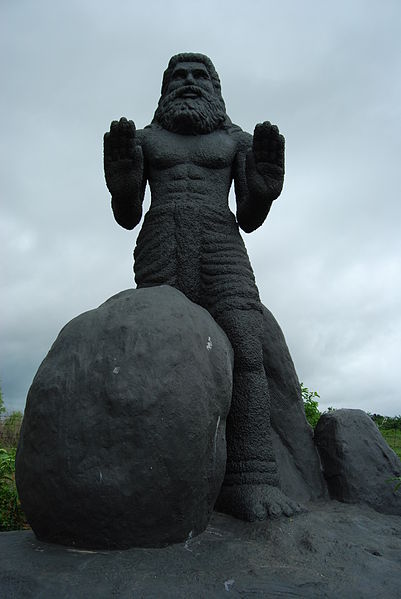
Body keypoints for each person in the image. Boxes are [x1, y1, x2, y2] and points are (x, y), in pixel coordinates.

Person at [104, 53, 299, 520]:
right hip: (161, 240)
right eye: (179, 75)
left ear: (216, 86)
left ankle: (252, 478)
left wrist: (265, 191)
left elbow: (249, 218)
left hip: (220, 241)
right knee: (158, 355)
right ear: (165, 86)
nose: (189, 82)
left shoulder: (236, 140)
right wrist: (121, 183)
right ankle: (156, 478)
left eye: (200, 75)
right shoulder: (146, 139)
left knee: (246, 348)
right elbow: (128, 216)